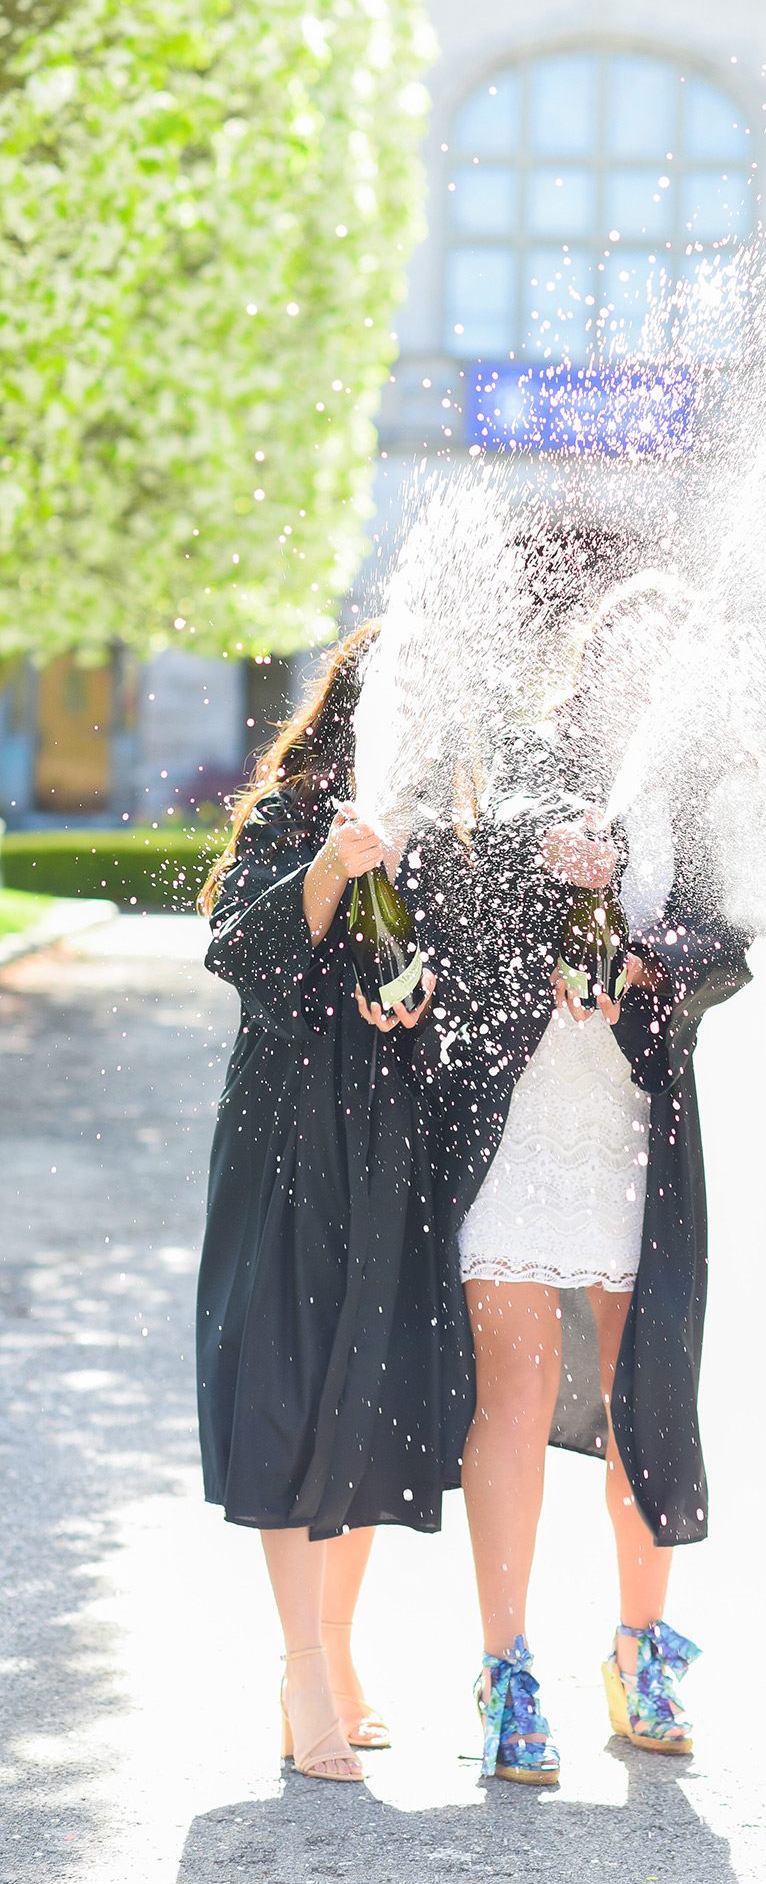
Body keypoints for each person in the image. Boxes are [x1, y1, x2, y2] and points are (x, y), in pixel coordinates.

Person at [409, 571, 751, 1787]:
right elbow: (457, 893)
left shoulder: (702, 802)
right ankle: (506, 1666)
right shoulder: (526, 767)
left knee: (638, 1392)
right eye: (625, 653)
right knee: (512, 1392)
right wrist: (538, 864)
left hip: (634, 1132)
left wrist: (648, 959)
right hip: (519, 1123)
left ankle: (641, 1647)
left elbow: (727, 945)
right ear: (589, 666)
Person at [196, 623, 456, 1783]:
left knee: (368, 1379)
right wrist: (332, 867)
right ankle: (301, 1666)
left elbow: (476, 973)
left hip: (396, 1129)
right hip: (293, 1127)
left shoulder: (446, 825)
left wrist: (427, 993)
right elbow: (241, 948)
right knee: (289, 1377)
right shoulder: (296, 810)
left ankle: (338, 1649)